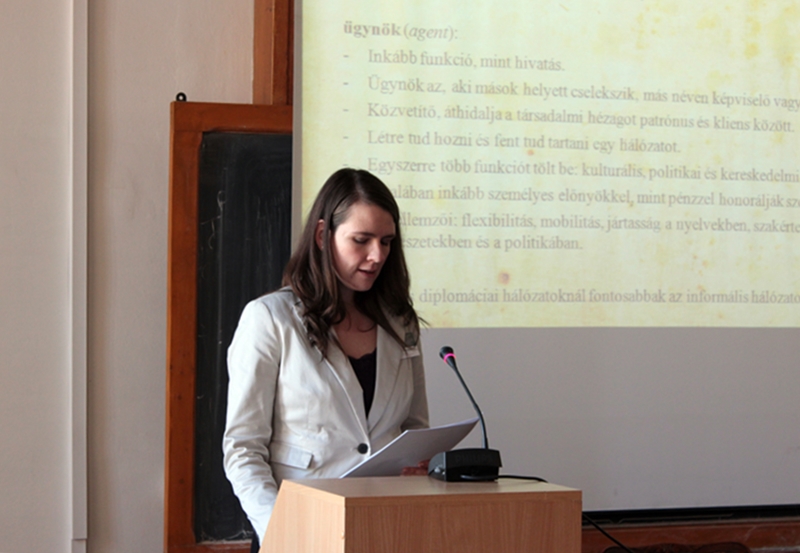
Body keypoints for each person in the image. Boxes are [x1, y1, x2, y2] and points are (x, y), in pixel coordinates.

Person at [222, 168, 429, 550]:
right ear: (322, 235)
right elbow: (243, 449)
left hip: (385, 530)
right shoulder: (270, 319)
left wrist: (418, 469)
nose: (377, 256)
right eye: (361, 240)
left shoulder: (401, 323)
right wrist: (281, 532)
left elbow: (415, 430)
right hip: (299, 534)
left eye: (386, 242)